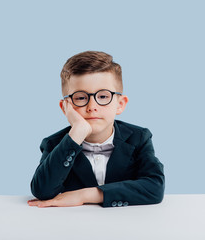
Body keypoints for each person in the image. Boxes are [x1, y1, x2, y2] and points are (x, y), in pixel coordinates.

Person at [28, 51, 164, 208]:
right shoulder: (54, 144)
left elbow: (155, 187)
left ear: (120, 104)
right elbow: (42, 190)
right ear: (65, 108)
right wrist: (77, 133)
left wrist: (85, 195)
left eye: (103, 97)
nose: (92, 107)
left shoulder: (139, 137)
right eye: (80, 98)